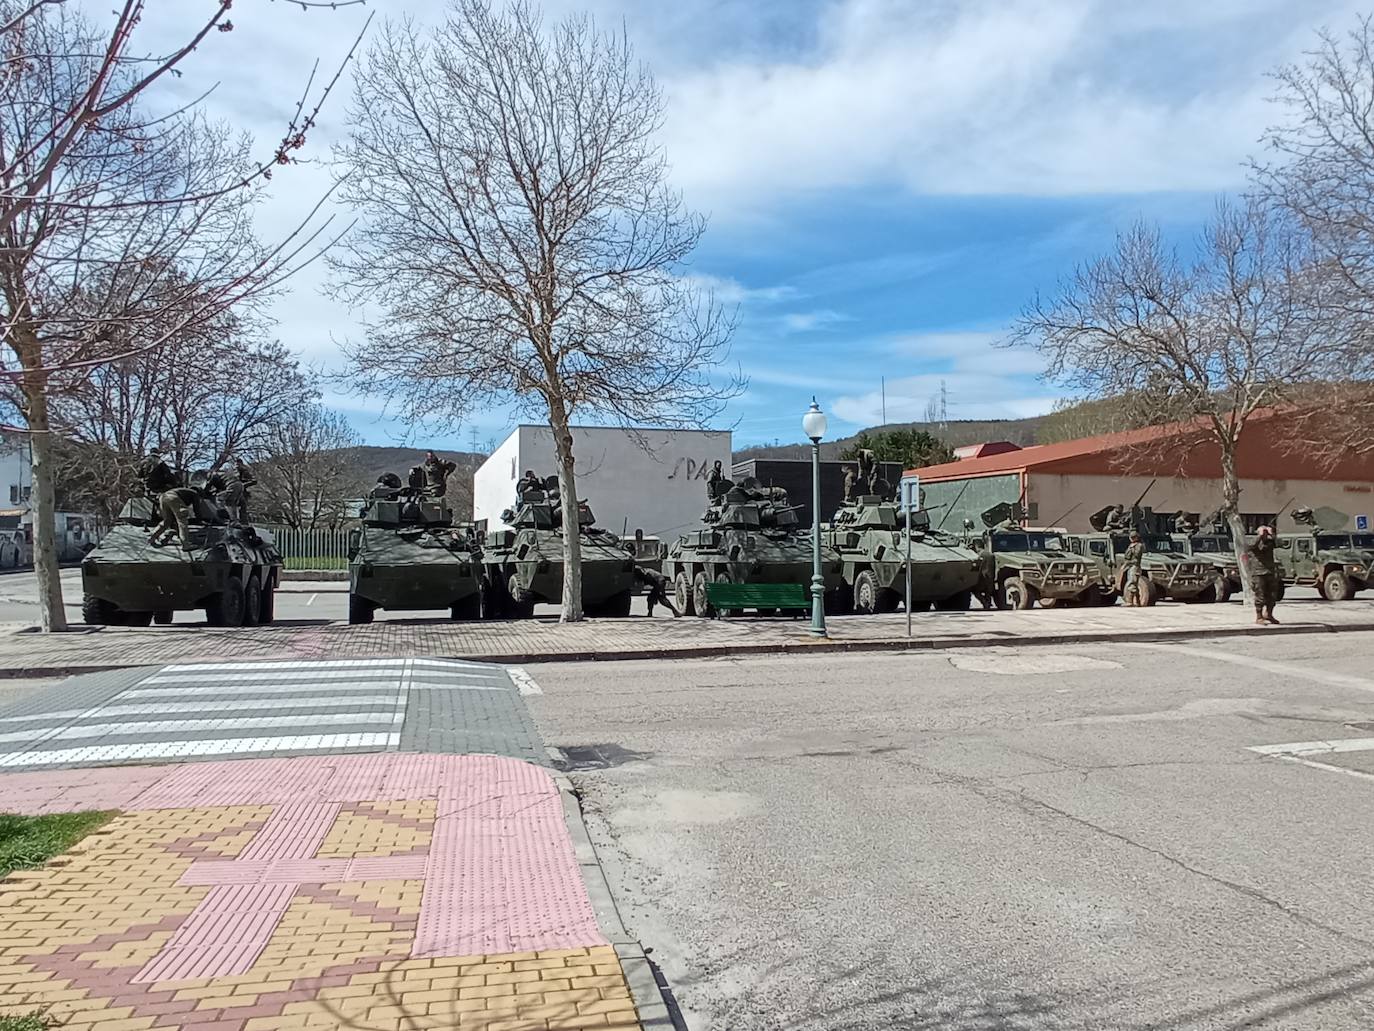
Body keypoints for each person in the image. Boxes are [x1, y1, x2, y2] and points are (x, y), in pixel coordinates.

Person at [1246, 525, 1282, 625]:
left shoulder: (1270, 542)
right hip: (1258, 573)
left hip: (1270, 571)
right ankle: (1259, 617)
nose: (1265, 534)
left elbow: (1280, 544)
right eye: (1264, 532)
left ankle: (1269, 614)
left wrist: (1272, 534)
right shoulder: (1254, 541)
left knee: (1272, 595)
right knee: (1260, 595)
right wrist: (1260, 536)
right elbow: (1250, 546)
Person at [1121, 531, 1146, 605]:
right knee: (1133, 583)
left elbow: (1136, 557)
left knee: (1132, 583)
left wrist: (1127, 564)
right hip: (1131, 566)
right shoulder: (1132, 545)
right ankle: (1137, 602)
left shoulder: (1138, 546)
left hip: (1134, 566)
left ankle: (1130, 601)